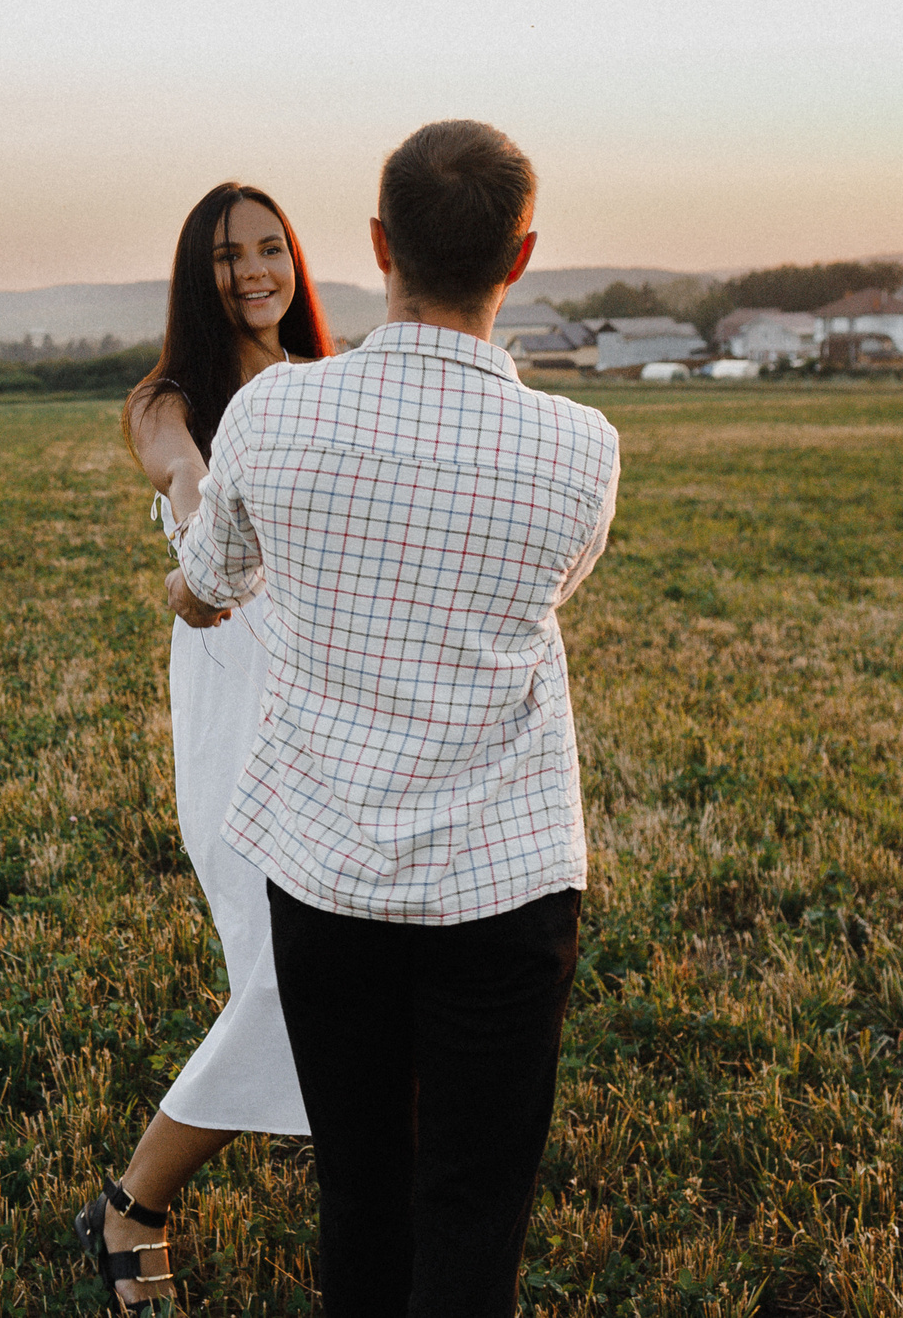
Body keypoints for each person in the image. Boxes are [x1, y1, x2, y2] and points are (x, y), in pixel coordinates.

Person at [167, 121, 620, 1317]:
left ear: (376, 246)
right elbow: (545, 594)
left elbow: (210, 587)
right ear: (519, 258)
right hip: (505, 881)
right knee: (473, 1202)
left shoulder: (271, 418)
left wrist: (183, 549)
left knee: (360, 1190)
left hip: (325, 875)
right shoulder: (582, 448)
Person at [76, 182, 335, 1314]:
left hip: (334, 700)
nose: (256, 272)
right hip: (237, 707)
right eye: (231, 257)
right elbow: (184, 474)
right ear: (200, 273)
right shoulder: (168, 400)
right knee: (283, 973)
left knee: (345, 965)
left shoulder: (328, 388)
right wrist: (202, 514)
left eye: (272, 249)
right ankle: (132, 1207)